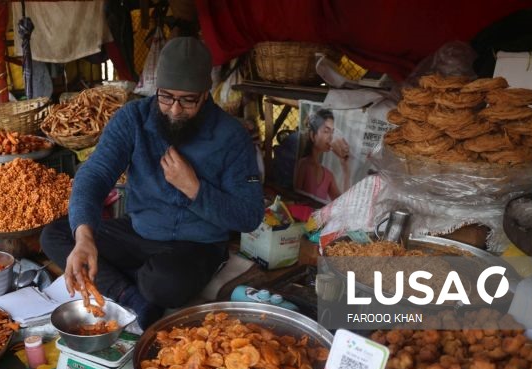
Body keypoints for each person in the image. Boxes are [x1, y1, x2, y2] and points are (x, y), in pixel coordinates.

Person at [40, 37, 264, 329]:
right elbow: (94, 174)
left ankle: (134, 284)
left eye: (187, 100)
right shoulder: (133, 118)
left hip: (196, 246)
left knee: (163, 283)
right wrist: (84, 237)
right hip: (139, 233)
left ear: (205, 95)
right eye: (166, 97)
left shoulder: (231, 136)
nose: (174, 109)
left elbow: (249, 216)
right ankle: (131, 296)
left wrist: (194, 188)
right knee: (57, 235)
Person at [293, 109, 350, 202]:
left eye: (332, 132)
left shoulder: (328, 175)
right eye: (326, 131)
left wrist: (345, 168)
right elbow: (294, 200)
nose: (331, 137)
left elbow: (342, 203)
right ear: (313, 135)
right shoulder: (303, 165)